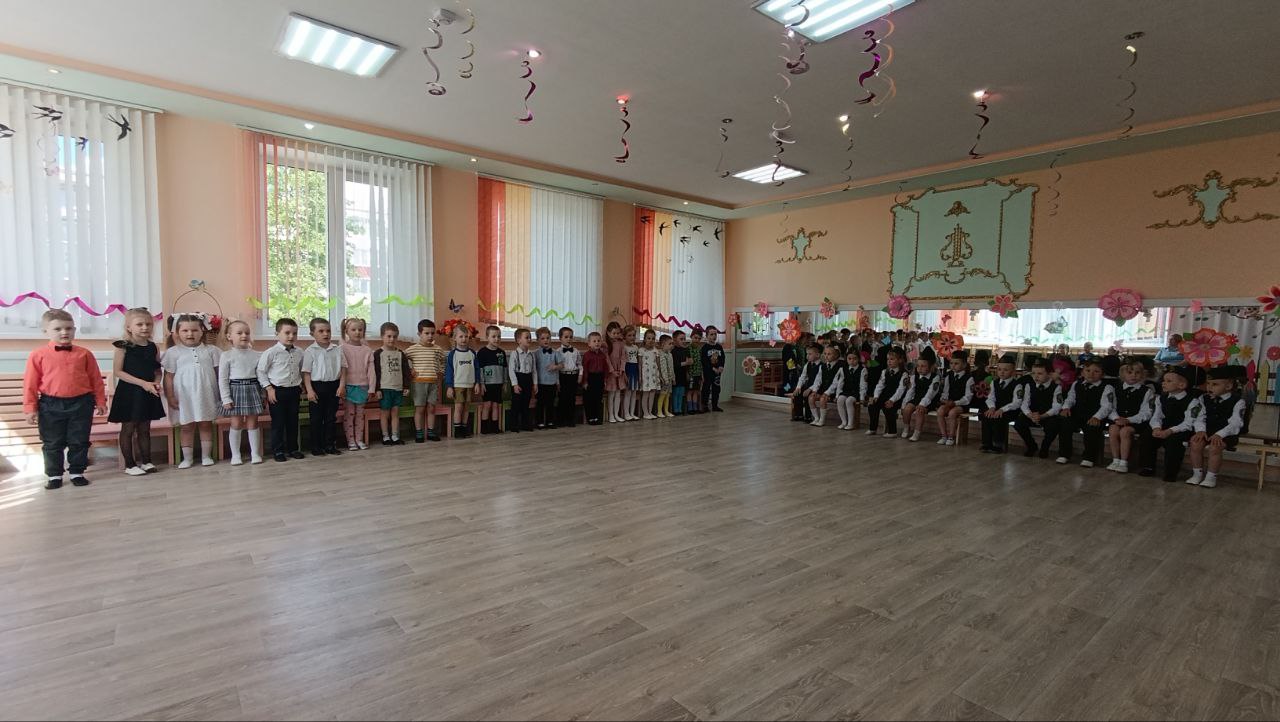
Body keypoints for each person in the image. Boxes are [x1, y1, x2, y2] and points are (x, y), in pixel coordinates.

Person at [24, 309, 107, 489]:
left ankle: (77, 472)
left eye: (69, 328)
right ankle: (54, 475)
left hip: (81, 403)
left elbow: (96, 379)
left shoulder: (85, 354)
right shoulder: (37, 355)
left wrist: (101, 401)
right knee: (52, 442)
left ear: (74, 330)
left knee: (79, 440)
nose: (64, 332)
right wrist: (30, 408)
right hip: (50, 404)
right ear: (45, 331)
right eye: (58, 329)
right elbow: (30, 383)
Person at [109, 308, 165, 475]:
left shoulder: (153, 347)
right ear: (129, 327)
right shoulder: (123, 346)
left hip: (147, 392)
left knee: (144, 428)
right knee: (128, 428)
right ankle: (130, 465)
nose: (144, 327)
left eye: (148, 324)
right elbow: (118, 372)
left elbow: (157, 370)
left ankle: (147, 461)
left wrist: (156, 383)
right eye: (139, 324)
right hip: (129, 392)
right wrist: (143, 384)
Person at [162, 313, 222, 468]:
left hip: (206, 395)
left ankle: (206, 456)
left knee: (206, 424)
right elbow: (168, 377)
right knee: (187, 426)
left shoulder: (212, 351)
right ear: (177, 333)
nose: (190, 334)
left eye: (194, 330)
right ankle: (187, 459)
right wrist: (170, 396)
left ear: (202, 331)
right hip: (184, 397)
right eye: (185, 330)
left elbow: (219, 374)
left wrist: (222, 394)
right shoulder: (173, 352)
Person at [1186, 365, 1247, 488]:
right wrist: (1200, 431)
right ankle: (1197, 474)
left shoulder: (1238, 401)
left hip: (1227, 433)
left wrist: (1220, 434)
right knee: (1195, 444)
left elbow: (1236, 423)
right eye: (1208, 384)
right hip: (1207, 431)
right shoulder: (1203, 398)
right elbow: (1199, 416)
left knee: (1215, 447)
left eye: (1215, 384)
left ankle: (1211, 477)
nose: (1209, 387)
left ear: (1228, 386)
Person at [257, 318, 304, 462]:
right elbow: (261, 371)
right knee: (278, 423)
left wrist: (301, 384)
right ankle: (278, 451)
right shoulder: (271, 352)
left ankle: (293, 449)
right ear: (277, 334)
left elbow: (300, 369)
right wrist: (269, 389)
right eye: (287, 333)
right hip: (277, 392)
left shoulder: (299, 352)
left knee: (293, 421)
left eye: (294, 333)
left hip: (294, 391)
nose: (291, 336)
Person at [218, 319, 265, 465]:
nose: (244, 335)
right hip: (235, 390)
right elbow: (223, 379)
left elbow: (261, 376)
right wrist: (226, 398)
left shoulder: (257, 355)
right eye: (239, 333)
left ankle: (255, 454)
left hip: (252, 389)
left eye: (247, 333)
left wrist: (263, 394)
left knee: (253, 422)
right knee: (236, 423)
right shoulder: (226, 355)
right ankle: (236, 455)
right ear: (229, 336)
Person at [1141, 366, 1198, 481]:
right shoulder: (1161, 398)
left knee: (1174, 442)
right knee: (1147, 435)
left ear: (1182, 385)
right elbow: (1157, 416)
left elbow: (1188, 422)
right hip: (1164, 427)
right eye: (1163, 380)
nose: (1163, 383)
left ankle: (1170, 473)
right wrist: (1156, 428)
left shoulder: (1192, 401)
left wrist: (1170, 431)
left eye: (1169, 381)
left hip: (1181, 429)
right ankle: (1148, 467)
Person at [301, 317, 346, 457]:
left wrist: (341, 386)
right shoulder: (310, 351)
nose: (326, 334)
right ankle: (316, 446)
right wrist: (309, 390)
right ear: (312, 334)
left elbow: (343, 369)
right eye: (321, 331)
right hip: (317, 387)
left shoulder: (337, 349)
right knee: (316, 419)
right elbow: (306, 373)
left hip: (333, 386)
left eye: (328, 331)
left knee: (331, 418)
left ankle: (330, 445)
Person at [1059, 358, 1114, 467]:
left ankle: (1089, 457)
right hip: (1077, 414)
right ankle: (1064, 454)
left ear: (1102, 374)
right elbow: (1070, 398)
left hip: (1094, 416)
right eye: (1088, 370)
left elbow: (1106, 406)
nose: (1091, 374)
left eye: (1096, 371)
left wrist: (1097, 417)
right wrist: (1066, 408)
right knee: (1065, 423)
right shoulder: (1077, 384)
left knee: (1092, 428)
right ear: (1083, 372)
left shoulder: (1107, 387)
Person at [1106, 358, 1156, 473]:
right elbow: (1110, 407)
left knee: (1125, 432)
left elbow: (1146, 412)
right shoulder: (1115, 389)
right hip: (1118, 420)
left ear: (1142, 374)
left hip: (1136, 422)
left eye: (1137, 373)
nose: (1134, 375)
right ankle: (1115, 459)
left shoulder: (1147, 391)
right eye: (1130, 372)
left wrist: (1128, 420)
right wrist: (1116, 418)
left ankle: (1124, 462)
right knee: (1113, 429)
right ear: (1123, 374)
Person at [404, 319, 446, 442]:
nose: (430, 336)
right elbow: (402, 359)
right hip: (419, 383)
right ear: (419, 334)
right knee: (420, 409)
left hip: (433, 383)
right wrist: (410, 370)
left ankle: (431, 432)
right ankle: (419, 432)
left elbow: (443, 362)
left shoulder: (438, 349)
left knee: (432, 408)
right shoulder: (413, 349)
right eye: (427, 333)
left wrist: (441, 373)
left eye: (432, 333)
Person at [1013, 359, 1065, 458]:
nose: (1036, 376)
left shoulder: (1056, 387)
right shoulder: (1029, 385)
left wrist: (1042, 416)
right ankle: (1031, 446)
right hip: (1032, 415)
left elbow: (1057, 406)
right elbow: (1024, 404)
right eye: (1033, 373)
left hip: (1047, 415)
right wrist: (1030, 415)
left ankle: (1045, 448)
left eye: (1040, 373)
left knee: (1053, 426)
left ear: (1049, 374)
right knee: (1019, 424)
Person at [339, 317, 375, 450]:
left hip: (363, 387)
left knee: (360, 415)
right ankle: (351, 441)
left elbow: (371, 371)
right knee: (349, 414)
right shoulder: (341, 349)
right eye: (353, 329)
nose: (357, 332)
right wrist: (341, 387)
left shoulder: (367, 350)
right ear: (346, 331)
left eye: (360, 329)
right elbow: (340, 370)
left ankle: (359, 439)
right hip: (348, 387)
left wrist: (371, 388)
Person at [373, 322, 410, 444]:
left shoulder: (400, 353)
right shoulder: (378, 354)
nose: (392, 339)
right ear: (382, 336)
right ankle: (385, 436)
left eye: (394, 336)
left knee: (395, 413)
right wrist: (377, 389)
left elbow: (406, 371)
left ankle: (395, 436)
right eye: (388, 336)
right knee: (385, 413)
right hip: (384, 388)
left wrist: (406, 386)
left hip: (398, 388)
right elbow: (376, 372)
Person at [980, 354, 1024, 454]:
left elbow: (1017, 402)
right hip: (996, 408)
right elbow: (991, 397)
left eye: (1006, 370)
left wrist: (1002, 410)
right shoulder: (994, 383)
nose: (1002, 372)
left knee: (999, 418)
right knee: (986, 415)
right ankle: (986, 443)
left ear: (1013, 371)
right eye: (999, 369)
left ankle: (998, 444)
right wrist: (991, 408)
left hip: (1010, 410)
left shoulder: (1017, 385)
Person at [444, 323, 477, 438]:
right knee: (458, 407)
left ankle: (464, 427)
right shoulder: (453, 354)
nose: (464, 339)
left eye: (466, 336)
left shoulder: (472, 353)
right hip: (457, 385)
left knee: (467, 407)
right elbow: (449, 371)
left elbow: (476, 369)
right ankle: (458, 430)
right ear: (455, 338)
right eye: (461, 336)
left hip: (470, 385)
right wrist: (449, 386)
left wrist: (477, 383)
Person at [935, 350, 975, 446]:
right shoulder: (949, 376)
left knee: (952, 413)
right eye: (951, 363)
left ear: (964, 365)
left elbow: (968, 398)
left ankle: (951, 436)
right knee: (940, 411)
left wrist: (955, 403)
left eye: (956, 363)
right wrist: (943, 400)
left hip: (962, 404)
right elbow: (945, 391)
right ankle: (944, 436)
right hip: (950, 402)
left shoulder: (969, 378)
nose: (953, 366)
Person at [865, 347, 907, 437]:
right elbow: (880, 385)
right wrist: (876, 396)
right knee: (872, 405)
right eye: (888, 359)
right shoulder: (884, 371)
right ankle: (873, 428)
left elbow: (900, 390)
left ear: (900, 360)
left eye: (892, 359)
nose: (889, 361)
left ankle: (892, 431)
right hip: (885, 395)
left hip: (896, 398)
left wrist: (892, 400)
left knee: (888, 407)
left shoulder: (903, 373)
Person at [900, 357, 941, 443]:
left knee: (919, 411)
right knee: (907, 409)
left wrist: (922, 404)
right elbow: (910, 392)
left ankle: (917, 432)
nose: (920, 368)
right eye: (918, 366)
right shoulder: (914, 377)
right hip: (917, 399)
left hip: (930, 401)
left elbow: (930, 393)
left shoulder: (935, 377)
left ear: (930, 367)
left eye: (923, 366)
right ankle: (906, 427)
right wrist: (904, 404)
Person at [476, 325, 508, 434]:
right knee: (487, 405)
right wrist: (482, 383)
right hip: (487, 384)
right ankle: (484, 428)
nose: (497, 339)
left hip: (498, 383)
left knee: (496, 405)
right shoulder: (482, 352)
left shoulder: (502, 352)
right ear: (487, 337)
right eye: (493, 336)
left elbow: (504, 368)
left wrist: (505, 382)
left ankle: (495, 427)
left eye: (499, 336)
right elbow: (480, 369)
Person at [507, 328, 537, 433]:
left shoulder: (531, 354)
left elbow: (534, 370)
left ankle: (525, 424)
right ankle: (513, 425)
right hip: (518, 379)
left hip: (528, 379)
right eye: (527, 337)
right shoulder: (514, 354)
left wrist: (535, 384)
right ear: (519, 340)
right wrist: (515, 384)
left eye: (530, 337)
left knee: (526, 403)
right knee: (516, 404)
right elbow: (511, 370)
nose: (529, 339)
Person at [808, 344, 845, 427]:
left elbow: (836, 383)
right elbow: (818, 379)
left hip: (834, 391)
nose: (826, 356)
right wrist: (814, 390)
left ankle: (822, 420)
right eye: (825, 354)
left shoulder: (840, 366)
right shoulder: (823, 366)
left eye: (829, 354)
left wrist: (827, 393)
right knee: (811, 397)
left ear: (836, 355)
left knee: (823, 399)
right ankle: (816, 418)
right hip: (824, 390)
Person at [533, 327, 559, 429]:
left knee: (550, 403)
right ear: (538, 340)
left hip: (552, 382)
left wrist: (555, 366)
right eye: (543, 338)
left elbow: (561, 365)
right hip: (540, 383)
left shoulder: (555, 352)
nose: (546, 340)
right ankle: (539, 422)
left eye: (548, 338)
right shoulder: (535, 354)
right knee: (540, 403)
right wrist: (534, 383)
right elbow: (533, 369)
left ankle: (550, 421)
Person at [555, 327, 581, 427]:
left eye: (570, 337)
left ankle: (571, 420)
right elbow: (557, 369)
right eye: (566, 337)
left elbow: (579, 364)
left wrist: (580, 375)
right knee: (562, 399)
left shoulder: (576, 351)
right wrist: (558, 382)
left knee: (571, 399)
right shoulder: (557, 352)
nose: (569, 339)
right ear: (560, 338)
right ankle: (561, 420)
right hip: (563, 376)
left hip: (573, 376)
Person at [581, 331, 609, 425]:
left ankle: (598, 417)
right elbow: (585, 369)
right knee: (589, 399)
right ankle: (591, 417)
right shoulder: (587, 355)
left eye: (598, 341)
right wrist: (585, 381)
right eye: (594, 341)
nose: (597, 343)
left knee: (598, 398)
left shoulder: (602, 355)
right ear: (589, 343)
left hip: (599, 377)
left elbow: (605, 368)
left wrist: (605, 379)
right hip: (590, 378)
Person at [835, 350, 867, 431]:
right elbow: (840, 383)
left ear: (858, 359)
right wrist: (837, 395)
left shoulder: (862, 370)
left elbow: (863, 385)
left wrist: (862, 397)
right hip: (846, 391)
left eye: (854, 358)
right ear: (846, 359)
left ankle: (850, 423)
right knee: (840, 400)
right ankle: (844, 422)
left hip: (856, 392)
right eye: (849, 358)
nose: (852, 361)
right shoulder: (843, 369)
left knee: (849, 401)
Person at [790, 344, 821, 423]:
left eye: (810, 354)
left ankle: (808, 416)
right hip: (809, 386)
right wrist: (798, 387)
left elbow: (819, 381)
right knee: (798, 393)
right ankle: (799, 415)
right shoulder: (807, 365)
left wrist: (809, 389)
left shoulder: (821, 366)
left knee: (807, 394)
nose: (807, 356)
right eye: (807, 354)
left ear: (817, 355)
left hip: (817, 388)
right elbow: (802, 377)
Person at [700, 325, 726, 413]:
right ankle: (705, 406)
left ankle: (715, 406)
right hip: (708, 372)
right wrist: (712, 368)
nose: (714, 336)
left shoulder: (719, 347)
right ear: (707, 336)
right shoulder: (705, 348)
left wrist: (721, 366)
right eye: (711, 334)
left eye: (715, 334)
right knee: (706, 388)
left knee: (716, 389)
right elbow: (704, 361)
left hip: (717, 373)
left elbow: (722, 358)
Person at [604, 321, 626, 423]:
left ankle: (616, 414)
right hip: (611, 372)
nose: (616, 335)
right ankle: (611, 415)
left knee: (618, 393)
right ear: (608, 333)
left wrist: (621, 369)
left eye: (618, 333)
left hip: (619, 372)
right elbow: (606, 359)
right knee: (612, 394)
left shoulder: (621, 344)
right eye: (614, 333)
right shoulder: (606, 344)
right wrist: (612, 371)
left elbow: (623, 357)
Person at [638, 328, 660, 419]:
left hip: (653, 376)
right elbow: (640, 365)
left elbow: (658, 364)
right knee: (646, 394)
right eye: (649, 338)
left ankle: (650, 412)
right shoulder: (641, 350)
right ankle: (645, 413)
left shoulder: (656, 351)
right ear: (644, 339)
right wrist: (640, 376)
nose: (651, 340)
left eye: (653, 339)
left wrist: (660, 375)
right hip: (645, 376)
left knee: (652, 394)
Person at [670, 330, 690, 416]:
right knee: (676, 393)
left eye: (684, 339)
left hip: (683, 374)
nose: (683, 341)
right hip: (676, 375)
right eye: (681, 339)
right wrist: (685, 363)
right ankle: (675, 409)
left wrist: (687, 371)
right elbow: (675, 364)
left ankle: (680, 409)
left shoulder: (685, 350)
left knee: (681, 392)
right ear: (674, 340)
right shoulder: (673, 351)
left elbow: (688, 362)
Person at [656, 334, 675, 419]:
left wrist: (673, 378)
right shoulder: (660, 354)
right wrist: (664, 378)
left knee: (668, 395)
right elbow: (661, 368)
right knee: (662, 394)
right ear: (663, 344)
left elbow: (671, 367)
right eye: (669, 344)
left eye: (672, 343)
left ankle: (666, 411)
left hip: (670, 378)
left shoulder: (670, 354)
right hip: (664, 379)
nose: (671, 345)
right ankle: (659, 411)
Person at [687, 327, 705, 414]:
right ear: (691, 337)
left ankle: (695, 407)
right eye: (695, 338)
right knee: (690, 391)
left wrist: (702, 375)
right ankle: (690, 408)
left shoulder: (699, 350)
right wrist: (687, 373)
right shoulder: (688, 348)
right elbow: (687, 363)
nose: (697, 340)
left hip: (698, 374)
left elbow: (700, 363)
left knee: (696, 391)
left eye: (699, 338)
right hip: (691, 374)